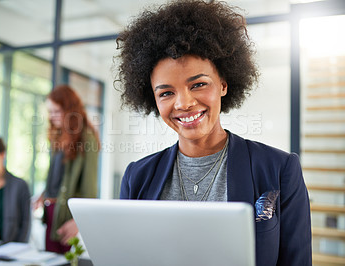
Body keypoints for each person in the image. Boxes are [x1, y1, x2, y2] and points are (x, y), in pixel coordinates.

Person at [116, 1, 311, 265]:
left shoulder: (278, 169)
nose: (183, 103)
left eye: (198, 84)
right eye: (166, 93)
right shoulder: (136, 177)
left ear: (223, 84)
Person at [34, 84, 99, 254]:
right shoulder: (59, 134)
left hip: (66, 214)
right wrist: (43, 194)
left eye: (56, 111)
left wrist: (79, 221)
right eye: (50, 111)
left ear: (69, 110)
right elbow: (57, 176)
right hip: (50, 211)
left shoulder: (86, 137)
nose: (52, 116)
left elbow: (89, 188)